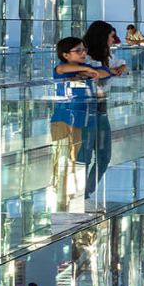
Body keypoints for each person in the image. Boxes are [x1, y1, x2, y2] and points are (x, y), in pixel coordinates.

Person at [50, 36, 107, 212]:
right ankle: (70, 200)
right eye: (78, 51)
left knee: (82, 159)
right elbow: (62, 68)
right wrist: (86, 69)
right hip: (65, 120)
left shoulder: (84, 70)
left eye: (84, 50)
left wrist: (89, 71)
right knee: (71, 161)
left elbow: (105, 73)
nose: (83, 53)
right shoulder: (62, 69)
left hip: (83, 118)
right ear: (66, 54)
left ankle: (79, 197)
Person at [78, 21, 126, 210]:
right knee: (85, 155)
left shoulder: (108, 56)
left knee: (104, 155)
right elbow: (95, 74)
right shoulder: (86, 57)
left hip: (102, 109)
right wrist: (111, 72)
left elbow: (119, 66)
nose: (113, 40)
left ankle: (86, 193)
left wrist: (114, 70)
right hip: (87, 109)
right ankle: (80, 195)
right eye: (110, 36)